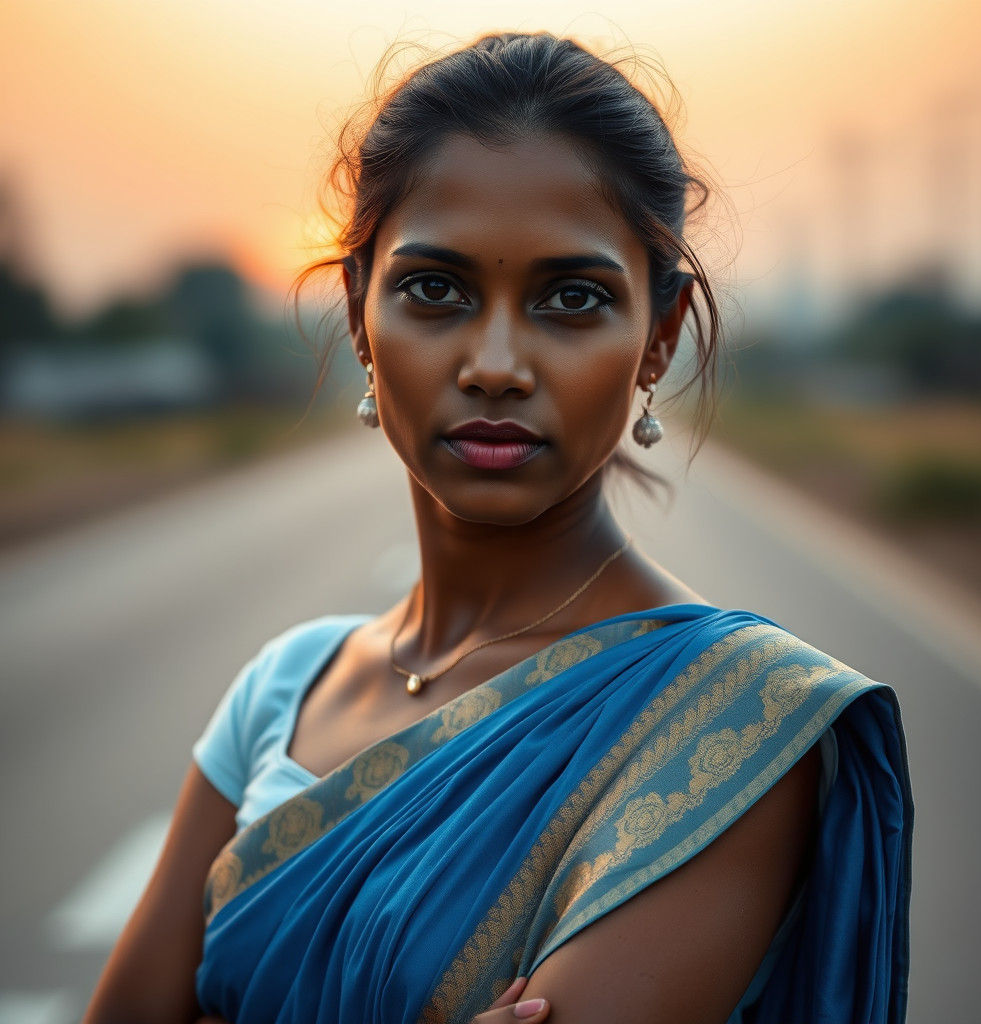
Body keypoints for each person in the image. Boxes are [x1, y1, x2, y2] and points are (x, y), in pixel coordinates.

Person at [82, 30, 912, 1024]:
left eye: (572, 298)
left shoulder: (733, 726)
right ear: (358, 312)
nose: (496, 363)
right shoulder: (283, 691)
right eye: (435, 289)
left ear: (658, 336)